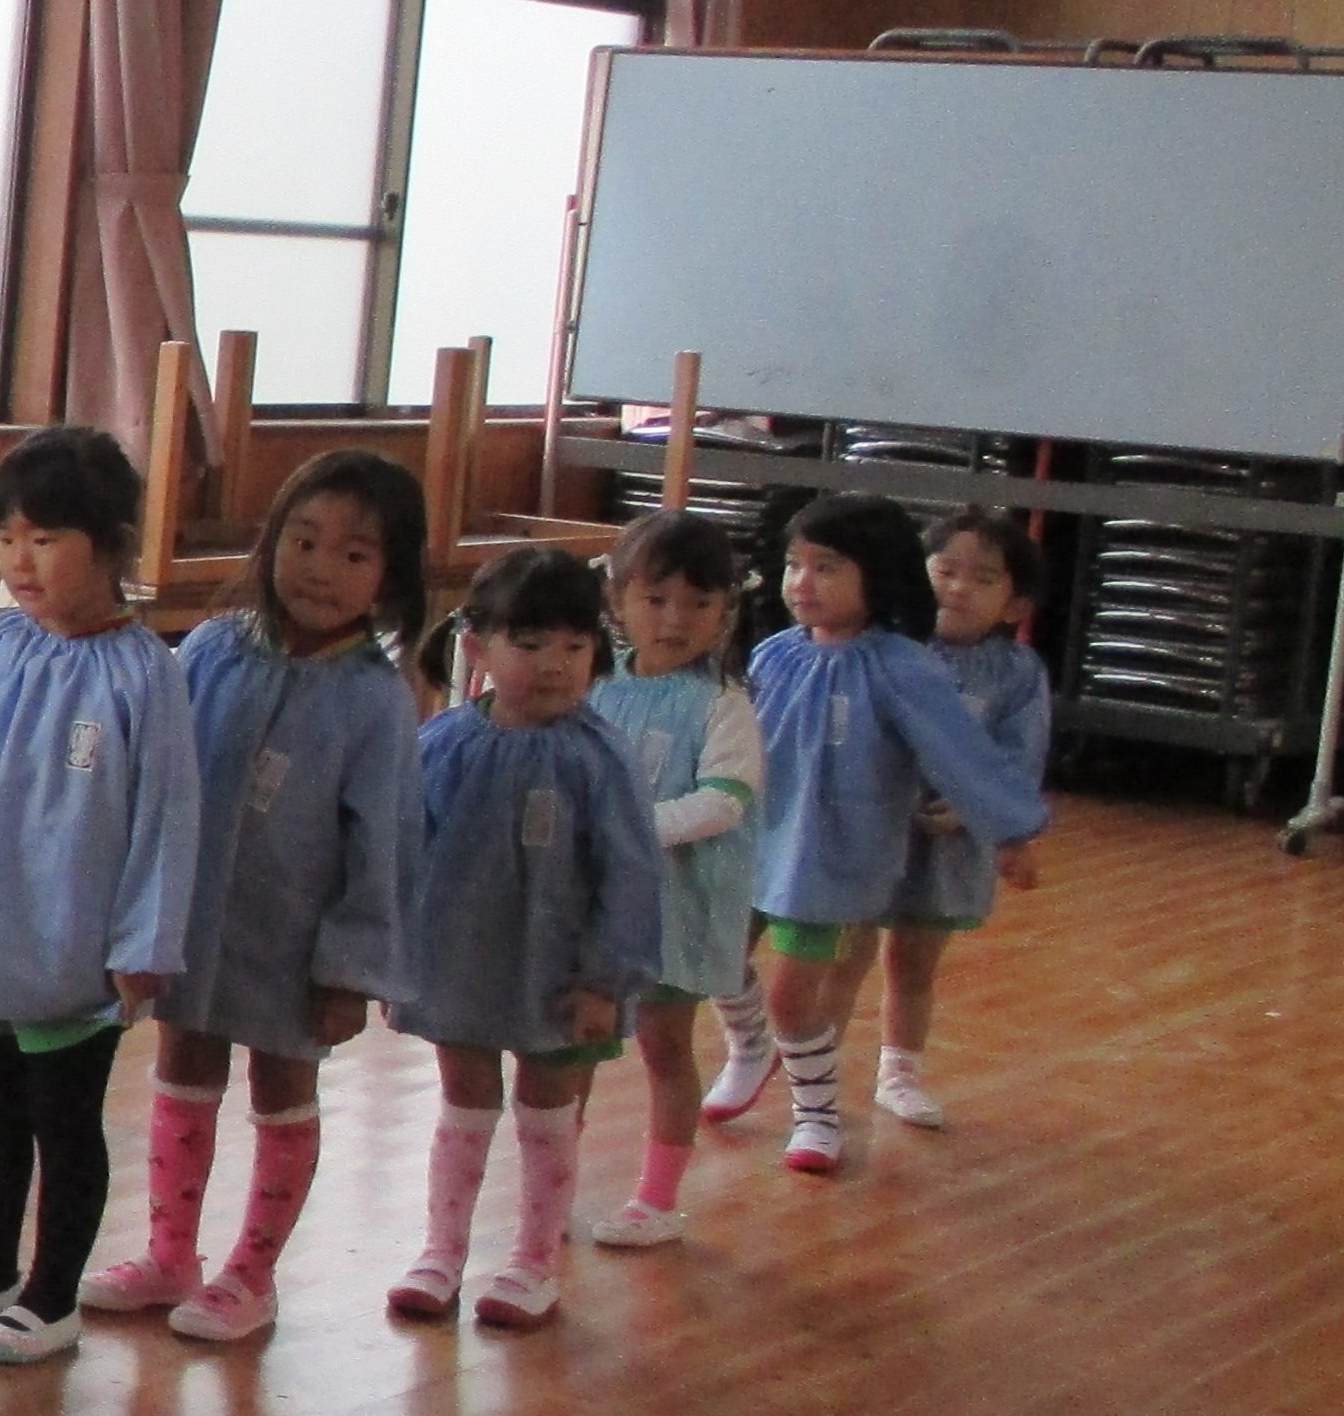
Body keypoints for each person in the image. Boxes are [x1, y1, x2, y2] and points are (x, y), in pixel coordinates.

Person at [84, 450, 426, 1345]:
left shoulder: (376, 700)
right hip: (193, 923)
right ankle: (170, 1254)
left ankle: (252, 1274)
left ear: (391, 575)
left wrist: (350, 969)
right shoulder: (211, 649)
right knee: (184, 1065)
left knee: (282, 1084)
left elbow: (384, 844)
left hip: (297, 943)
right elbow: (155, 781)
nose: (320, 567)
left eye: (354, 554)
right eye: (302, 541)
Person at [0, 426, 199, 1368]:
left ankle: (53, 1298)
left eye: (46, 538)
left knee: (65, 1123)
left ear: (111, 546)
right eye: (8, 538)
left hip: (75, 945)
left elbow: (166, 819)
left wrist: (144, 943)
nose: (20, 561)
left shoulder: (148, 674)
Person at [391, 547, 662, 1332]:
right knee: (463, 1098)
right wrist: (390, 959)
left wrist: (607, 978)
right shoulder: (442, 743)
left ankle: (534, 1260)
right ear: (477, 646)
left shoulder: (600, 757)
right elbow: (402, 854)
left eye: (576, 645)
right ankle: (441, 1251)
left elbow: (632, 874)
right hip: (459, 963)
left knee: (548, 1106)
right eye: (531, 643)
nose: (555, 664)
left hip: (562, 973)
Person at [740, 494, 1050, 1177]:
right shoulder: (777, 654)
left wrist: (1006, 828)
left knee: (865, 972)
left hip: (877, 849)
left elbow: (972, 754)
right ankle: (765, 1054)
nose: (803, 582)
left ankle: (850, 1092)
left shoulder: (913, 665)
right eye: (795, 565)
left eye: (826, 566)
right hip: (786, 842)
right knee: (743, 960)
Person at [586, 508, 766, 1249]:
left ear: (726, 609)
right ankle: (549, 1184)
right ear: (618, 598)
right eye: (655, 598)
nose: (674, 619)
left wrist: (632, 829)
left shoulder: (723, 702)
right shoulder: (596, 682)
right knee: (573, 1046)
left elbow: (724, 801)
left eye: (699, 602)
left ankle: (657, 1200)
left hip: (679, 902)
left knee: (664, 1046)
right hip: (596, 901)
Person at [839, 508, 1049, 1134]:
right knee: (844, 952)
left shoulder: (1017, 673)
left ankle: (899, 1074)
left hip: (949, 844)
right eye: (945, 570)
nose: (958, 588)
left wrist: (977, 809)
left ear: (1015, 605)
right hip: (870, 827)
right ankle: (811, 1064)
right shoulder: (885, 649)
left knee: (914, 961)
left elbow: (1019, 755)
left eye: (983, 579)